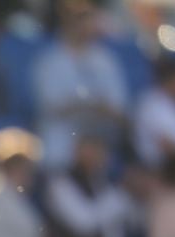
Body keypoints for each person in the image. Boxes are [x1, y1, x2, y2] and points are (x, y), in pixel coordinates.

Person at [32, 0, 129, 172]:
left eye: (87, 18)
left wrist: (97, 108)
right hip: (61, 147)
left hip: (99, 146)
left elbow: (119, 109)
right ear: (66, 21)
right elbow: (50, 107)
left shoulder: (106, 61)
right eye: (78, 18)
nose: (84, 25)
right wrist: (87, 105)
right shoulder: (49, 62)